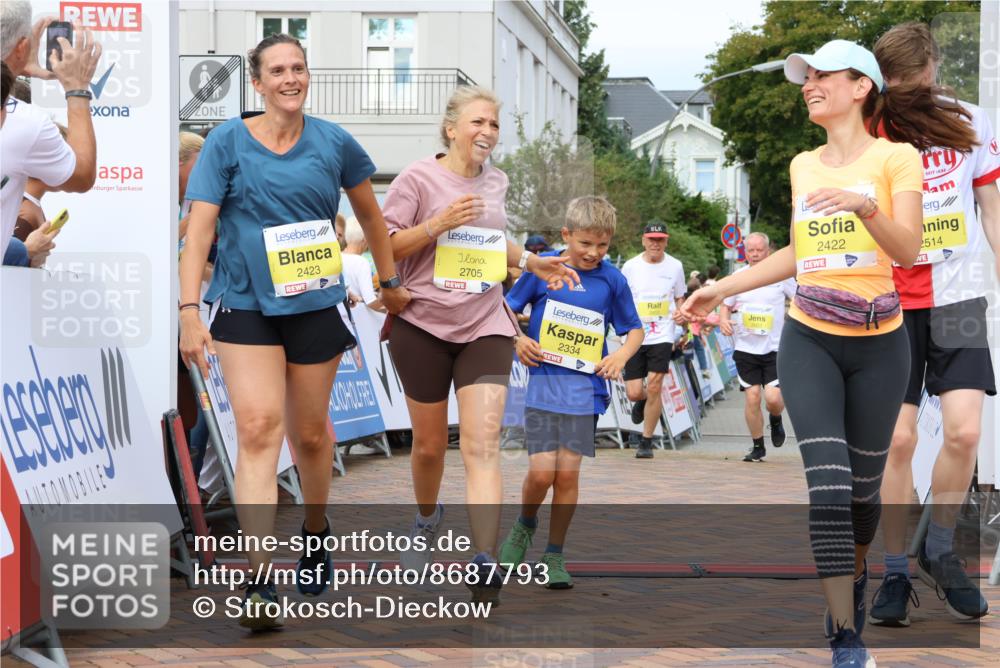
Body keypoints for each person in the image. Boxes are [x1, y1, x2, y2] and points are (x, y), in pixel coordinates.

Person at [682, 39, 923, 668]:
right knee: (829, 490)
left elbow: (905, 251)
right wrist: (720, 287)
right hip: (809, 336)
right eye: (804, 77)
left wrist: (865, 205)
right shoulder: (802, 164)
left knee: (864, 500)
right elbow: (799, 254)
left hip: (880, 346)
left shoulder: (898, 159)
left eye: (822, 75)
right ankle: (847, 636)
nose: (808, 84)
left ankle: (855, 580)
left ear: (861, 86)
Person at [179, 33, 410, 630]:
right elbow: (198, 231)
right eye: (277, 70)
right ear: (257, 83)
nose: (290, 78)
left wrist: (388, 283)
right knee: (258, 429)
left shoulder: (334, 142)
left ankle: (314, 529)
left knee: (310, 437)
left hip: (313, 304)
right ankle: (258, 579)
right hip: (244, 305)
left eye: (299, 68)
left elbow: (371, 217)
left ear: (308, 76)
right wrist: (187, 311)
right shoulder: (226, 141)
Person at [381, 85, 578, 605]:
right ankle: (426, 520)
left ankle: (484, 559)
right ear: (451, 128)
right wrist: (435, 224)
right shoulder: (417, 178)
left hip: (485, 324)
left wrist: (530, 261)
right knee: (427, 447)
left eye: (493, 123)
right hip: (421, 324)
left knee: (481, 443)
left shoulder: (498, 181)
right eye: (477, 122)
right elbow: (385, 242)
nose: (487, 132)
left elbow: (490, 240)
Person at [868, 22, 998, 628]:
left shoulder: (972, 120)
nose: (902, 87)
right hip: (891, 298)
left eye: (907, 77)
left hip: (961, 296)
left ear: (931, 68)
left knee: (965, 435)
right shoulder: (874, 123)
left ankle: (939, 549)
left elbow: (992, 208)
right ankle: (895, 571)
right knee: (897, 440)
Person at [498, 196, 643, 589]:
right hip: (545, 382)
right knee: (542, 472)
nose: (594, 253)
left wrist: (621, 356)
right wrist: (518, 340)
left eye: (603, 245)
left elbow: (635, 329)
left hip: (585, 390)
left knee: (566, 477)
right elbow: (506, 309)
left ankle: (554, 555)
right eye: (585, 244)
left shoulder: (612, 279)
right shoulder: (545, 268)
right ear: (566, 235)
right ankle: (524, 525)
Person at [1, 2, 101, 255]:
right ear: (23, 48)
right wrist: (77, 88)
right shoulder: (25, 123)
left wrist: (16, 69)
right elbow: (81, 175)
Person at [718, 231, 796, 462]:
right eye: (750, 250)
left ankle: (775, 418)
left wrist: (794, 318)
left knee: (772, 399)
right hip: (746, 347)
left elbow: (799, 298)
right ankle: (758, 446)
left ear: (767, 251)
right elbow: (725, 303)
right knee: (752, 397)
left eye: (758, 250)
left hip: (774, 348)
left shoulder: (780, 275)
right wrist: (723, 320)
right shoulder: (739, 276)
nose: (754, 254)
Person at [620, 221, 687, 459]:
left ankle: (646, 441)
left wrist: (682, 316)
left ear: (666, 241)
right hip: (636, 334)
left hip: (663, 332)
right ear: (643, 240)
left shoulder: (676, 266)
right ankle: (643, 400)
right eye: (651, 239)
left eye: (660, 239)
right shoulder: (630, 266)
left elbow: (680, 297)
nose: (655, 244)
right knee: (634, 391)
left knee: (656, 384)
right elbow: (622, 298)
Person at [342, 216, 384, 312]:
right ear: (365, 239)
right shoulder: (361, 262)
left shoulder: (338, 257)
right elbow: (370, 301)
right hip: (359, 317)